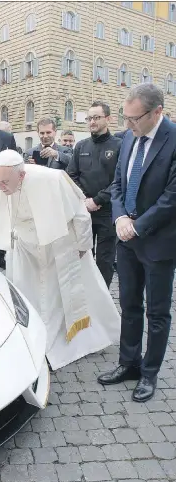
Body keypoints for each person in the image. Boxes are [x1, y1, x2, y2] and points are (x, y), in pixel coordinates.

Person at [0, 149, 120, 370]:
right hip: (25, 250)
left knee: (62, 298)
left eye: (5, 182)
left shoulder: (53, 179)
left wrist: (83, 246)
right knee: (28, 299)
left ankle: (73, 344)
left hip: (59, 246)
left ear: (22, 175)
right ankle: (37, 343)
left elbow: (80, 214)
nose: (0, 187)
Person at [97, 83, 176, 402]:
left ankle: (149, 373)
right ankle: (128, 363)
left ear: (157, 112)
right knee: (129, 305)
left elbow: (172, 196)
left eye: (134, 119)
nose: (127, 125)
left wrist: (137, 225)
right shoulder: (128, 137)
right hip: (126, 237)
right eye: (124, 118)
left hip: (158, 242)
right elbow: (117, 184)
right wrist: (119, 218)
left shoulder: (173, 139)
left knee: (157, 312)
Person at [67, 101, 122, 288]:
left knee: (105, 262)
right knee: (83, 257)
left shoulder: (119, 146)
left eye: (96, 117)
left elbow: (119, 181)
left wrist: (98, 200)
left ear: (108, 119)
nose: (92, 122)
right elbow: (71, 175)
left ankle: (103, 298)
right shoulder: (81, 146)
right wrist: (84, 199)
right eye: (89, 118)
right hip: (84, 212)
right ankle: (86, 295)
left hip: (107, 213)